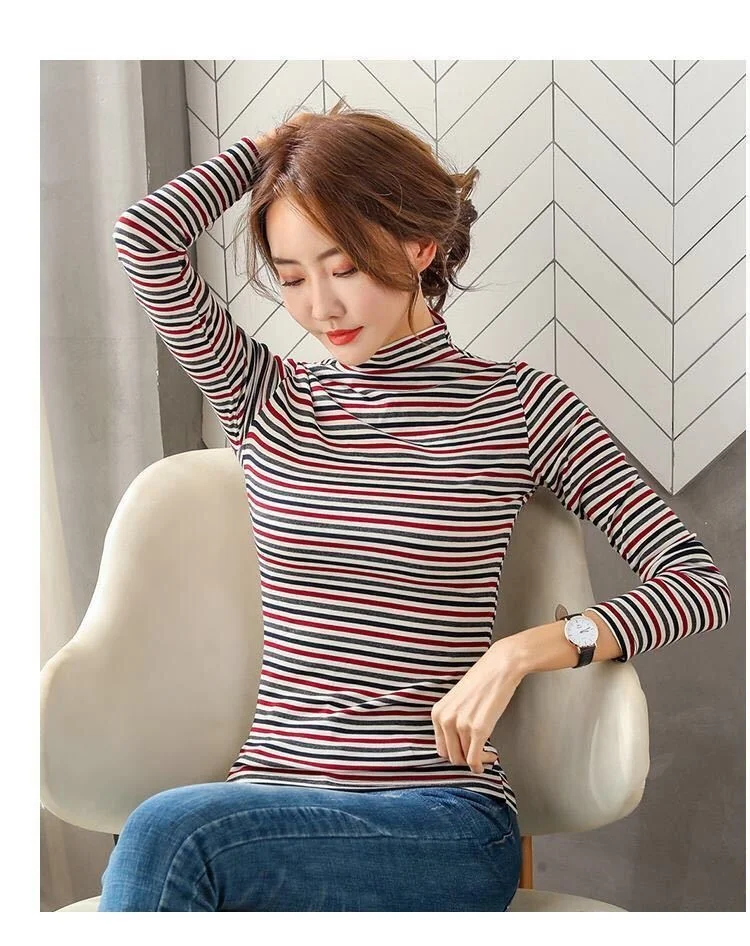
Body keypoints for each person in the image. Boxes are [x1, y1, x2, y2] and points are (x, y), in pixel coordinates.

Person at [97, 102, 731, 911]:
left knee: (168, 833)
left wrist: (522, 652)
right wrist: (275, 150)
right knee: (177, 838)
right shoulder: (265, 398)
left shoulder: (517, 406)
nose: (320, 306)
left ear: (419, 245)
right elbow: (144, 239)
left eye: (343, 267)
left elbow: (697, 582)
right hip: (264, 812)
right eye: (291, 278)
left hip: (439, 821)